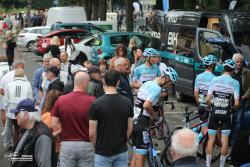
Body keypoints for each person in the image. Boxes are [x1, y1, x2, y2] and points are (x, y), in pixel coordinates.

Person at [131, 66, 178, 167]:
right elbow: (146, 105)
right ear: (167, 78)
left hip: (134, 121)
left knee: (136, 156)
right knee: (141, 158)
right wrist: (156, 118)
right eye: (171, 83)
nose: (170, 86)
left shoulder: (148, 83)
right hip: (142, 123)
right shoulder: (156, 88)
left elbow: (143, 100)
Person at [89, 70, 134, 167]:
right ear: (118, 82)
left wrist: (97, 146)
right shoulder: (127, 102)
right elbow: (130, 128)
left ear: (104, 81)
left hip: (102, 152)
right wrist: (122, 140)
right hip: (121, 150)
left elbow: (92, 133)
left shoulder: (96, 104)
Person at [52, 72, 95, 167]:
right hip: (86, 144)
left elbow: (54, 124)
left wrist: (60, 140)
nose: (89, 85)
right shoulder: (92, 101)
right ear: (84, 83)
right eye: (88, 82)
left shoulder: (61, 100)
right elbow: (95, 127)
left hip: (67, 144)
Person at [206, 59, 240, 167]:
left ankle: (207, 165)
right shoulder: (235, 82)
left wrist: (211, 106)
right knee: (225, 141)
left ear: (223, 68)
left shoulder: (214, 80)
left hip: (214, 112)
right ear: (233, 70)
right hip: (226, 113)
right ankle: (221, 165)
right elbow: (237, 103)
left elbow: (207, 99)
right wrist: (232, 109)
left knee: (211, 140)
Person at [9, 99, 55, 167]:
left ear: (25, 115)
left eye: (16, 113)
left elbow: (44, 164)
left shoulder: (42, 136)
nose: (15, 117)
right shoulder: (27, 128)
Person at [4, 69, 33, 151]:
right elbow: (30, 99)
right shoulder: (27, 84)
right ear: (23, 75)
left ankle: (15, 147)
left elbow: (6, 99)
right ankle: (22, 147)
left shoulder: (9, 85)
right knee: (23, 129)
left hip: (13, 110)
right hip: (23, 110)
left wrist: (7, 107)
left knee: (16, 128)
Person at [194, 55, 217, 141]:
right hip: (209, 105)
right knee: (205, 130)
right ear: (212, 66)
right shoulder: (215, 78)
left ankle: (194, 133)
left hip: (200, 104)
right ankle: (195, 144)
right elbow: (214, 95)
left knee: (202, 124)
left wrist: (199, 104)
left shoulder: (198, 77)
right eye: (214, 64)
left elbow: (196, 93)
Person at [231, 53, 250, 145]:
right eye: (237, 62)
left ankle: (233, 142)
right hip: (230, 100)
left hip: (241, 100)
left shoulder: (247, 72)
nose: (239, 63)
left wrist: (244, 96)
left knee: (237, 121)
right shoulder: (229, 71)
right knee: (227, 120)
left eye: (240, 62)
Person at [0, 55, 10, 135]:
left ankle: (5, 130)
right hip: (12, 92)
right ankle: (12, 128)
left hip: (1, 92)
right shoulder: (10, 68)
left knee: (3, 111)